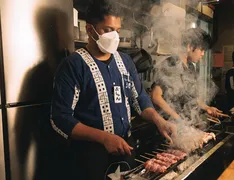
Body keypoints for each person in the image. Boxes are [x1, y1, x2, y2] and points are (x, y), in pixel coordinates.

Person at [50, 0, 176, 179]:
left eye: (117, 30)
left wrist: (158, 120)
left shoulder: (125, 62)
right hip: (89, 157)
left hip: (125, 148)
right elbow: (59, 118)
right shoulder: (73, 65)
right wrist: (104, 138)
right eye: (107, 30)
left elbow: (139, 98)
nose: (114, 36)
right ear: (90, 29)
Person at [150, 28, 222, 128]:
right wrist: (178, 119)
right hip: (169, 125)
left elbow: (190, 97)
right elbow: (155, 96)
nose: (202, 54)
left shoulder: (190, 67)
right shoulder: (172, 63)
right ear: (189, 47)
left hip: (185, 125)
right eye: (201, 50)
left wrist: (207, 108)